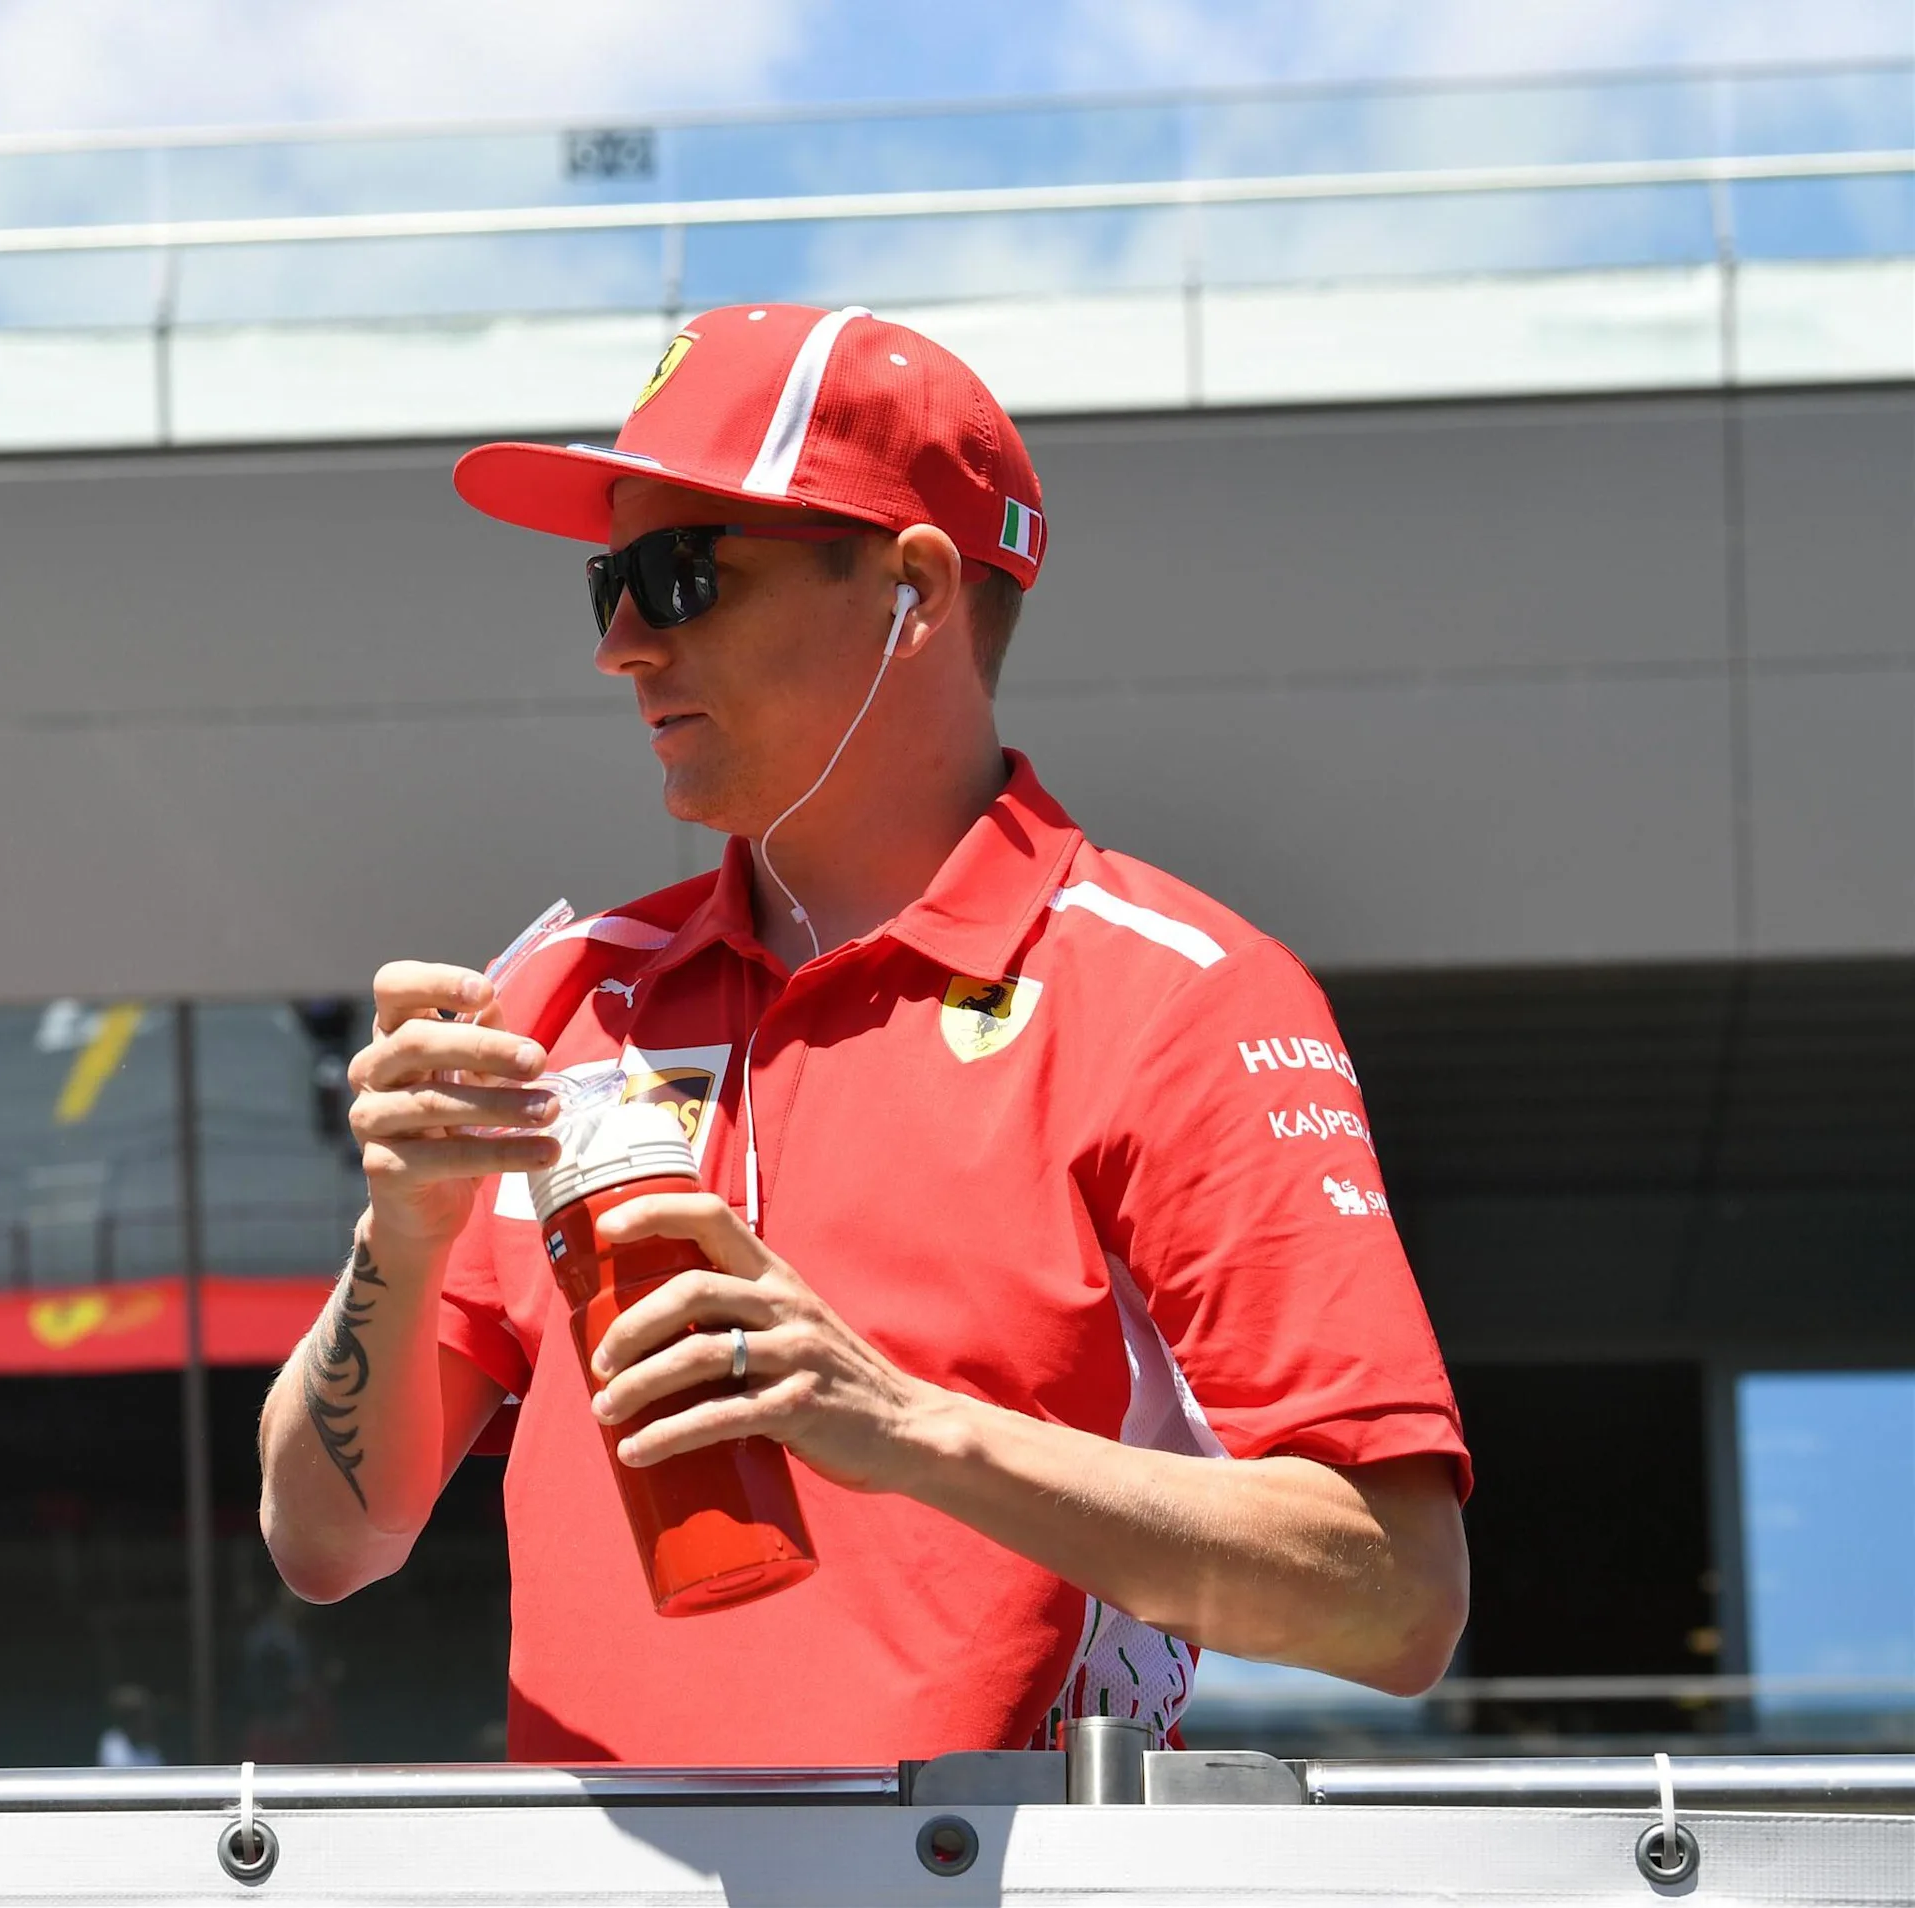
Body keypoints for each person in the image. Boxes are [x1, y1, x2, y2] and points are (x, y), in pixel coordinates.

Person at [258, 305, 1472, 1765]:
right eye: (608, 586)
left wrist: (908, 1427)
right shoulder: (568, 998)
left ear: (914, 589)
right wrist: (402, 1233)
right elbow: (327, 1540)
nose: (623, 646)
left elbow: (1398, 1600)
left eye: (683, 574)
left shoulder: (1177, 994)